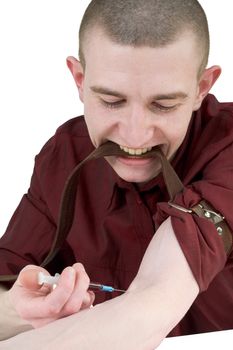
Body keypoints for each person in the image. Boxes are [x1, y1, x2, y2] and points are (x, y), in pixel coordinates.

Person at [0, 0, 232, 348]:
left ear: (202, 87)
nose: (135, 136)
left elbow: (153, 300)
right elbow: (9, 284)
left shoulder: (227, 146)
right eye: (111, 101)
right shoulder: (62, 156)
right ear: (79, 80)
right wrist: (22, 308)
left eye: (164, 105)